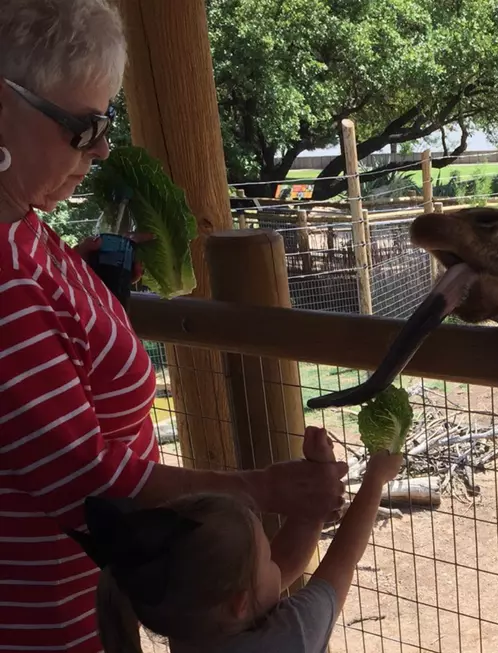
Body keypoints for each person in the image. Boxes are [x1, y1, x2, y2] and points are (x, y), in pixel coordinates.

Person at [0, 1, 349, 651]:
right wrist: (267, 489)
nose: (102, 147)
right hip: (49, 623)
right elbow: (93, 487)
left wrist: (88, 285)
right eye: (82, 127)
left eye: (105, 122)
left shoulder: (21, 224)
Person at [70, 426, 403, 653]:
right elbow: (341, 563)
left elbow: (270, 575)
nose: (277, 561)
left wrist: (317, 486)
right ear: (239, 603)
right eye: (267, 558)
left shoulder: (186, 620)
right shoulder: (287, 640)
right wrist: (376, 477)